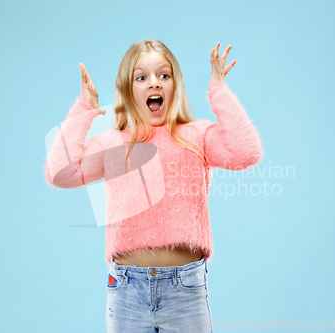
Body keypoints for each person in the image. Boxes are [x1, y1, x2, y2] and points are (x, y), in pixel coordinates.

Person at [44, 39, 264, 332]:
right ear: (127, 89)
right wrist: (83, 110)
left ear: (176, 84)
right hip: (125, 290)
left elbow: (246, 152)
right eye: (141, 77)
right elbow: (60, 173)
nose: (154, 84)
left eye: (164, 75)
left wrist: (219, 92)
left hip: (185, 288)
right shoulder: (113, 142)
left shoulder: (195, 135)